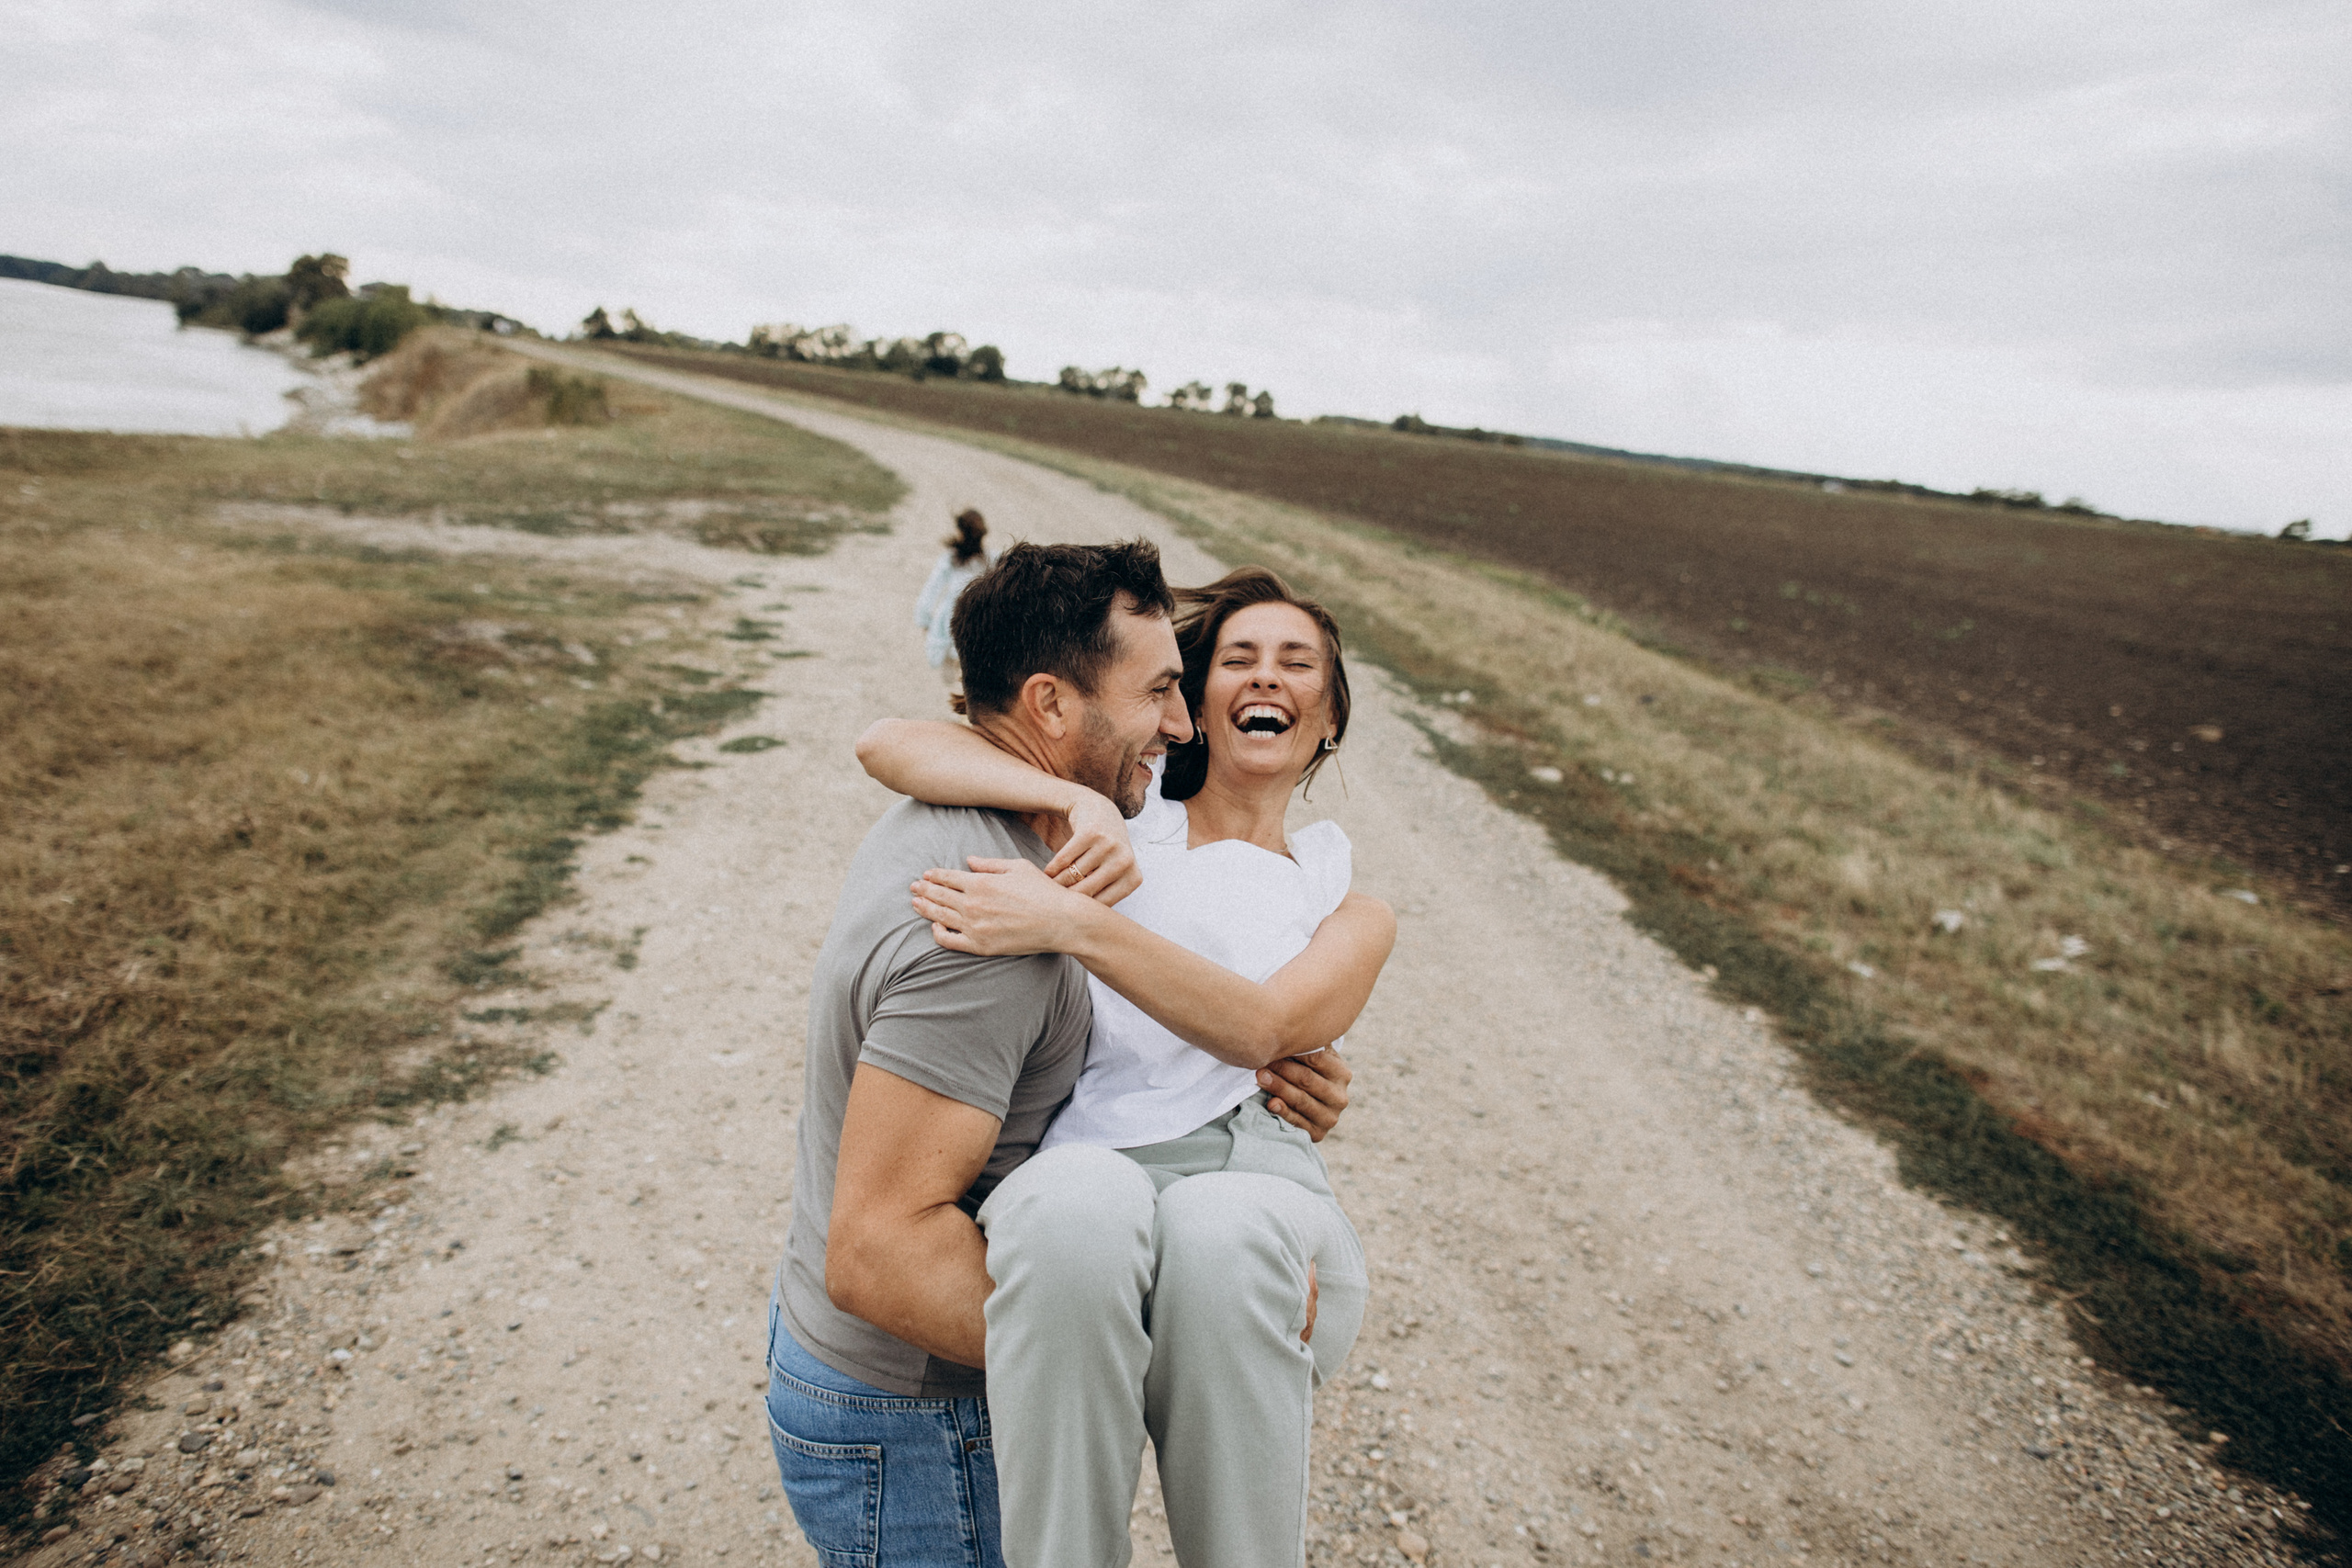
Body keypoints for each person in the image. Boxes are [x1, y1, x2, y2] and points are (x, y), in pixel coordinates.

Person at [765, 542, 1359, 1568]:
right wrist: (1211, 1337)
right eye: (1162, 691)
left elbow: (1244, 1026)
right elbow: (876, 1254)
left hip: (895, 1386)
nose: (1179, 723)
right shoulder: (997, 926)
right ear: (1049, 704)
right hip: (920, 1417)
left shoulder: (1032, 831)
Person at [915, 508, 994, 692]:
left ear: (961, 532)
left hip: (952, 621)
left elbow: (932, 587)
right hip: (977, 622)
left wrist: (924, 618)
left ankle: (957, 671)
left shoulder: (951, 559)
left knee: (954, 664)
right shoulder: (990, 560)